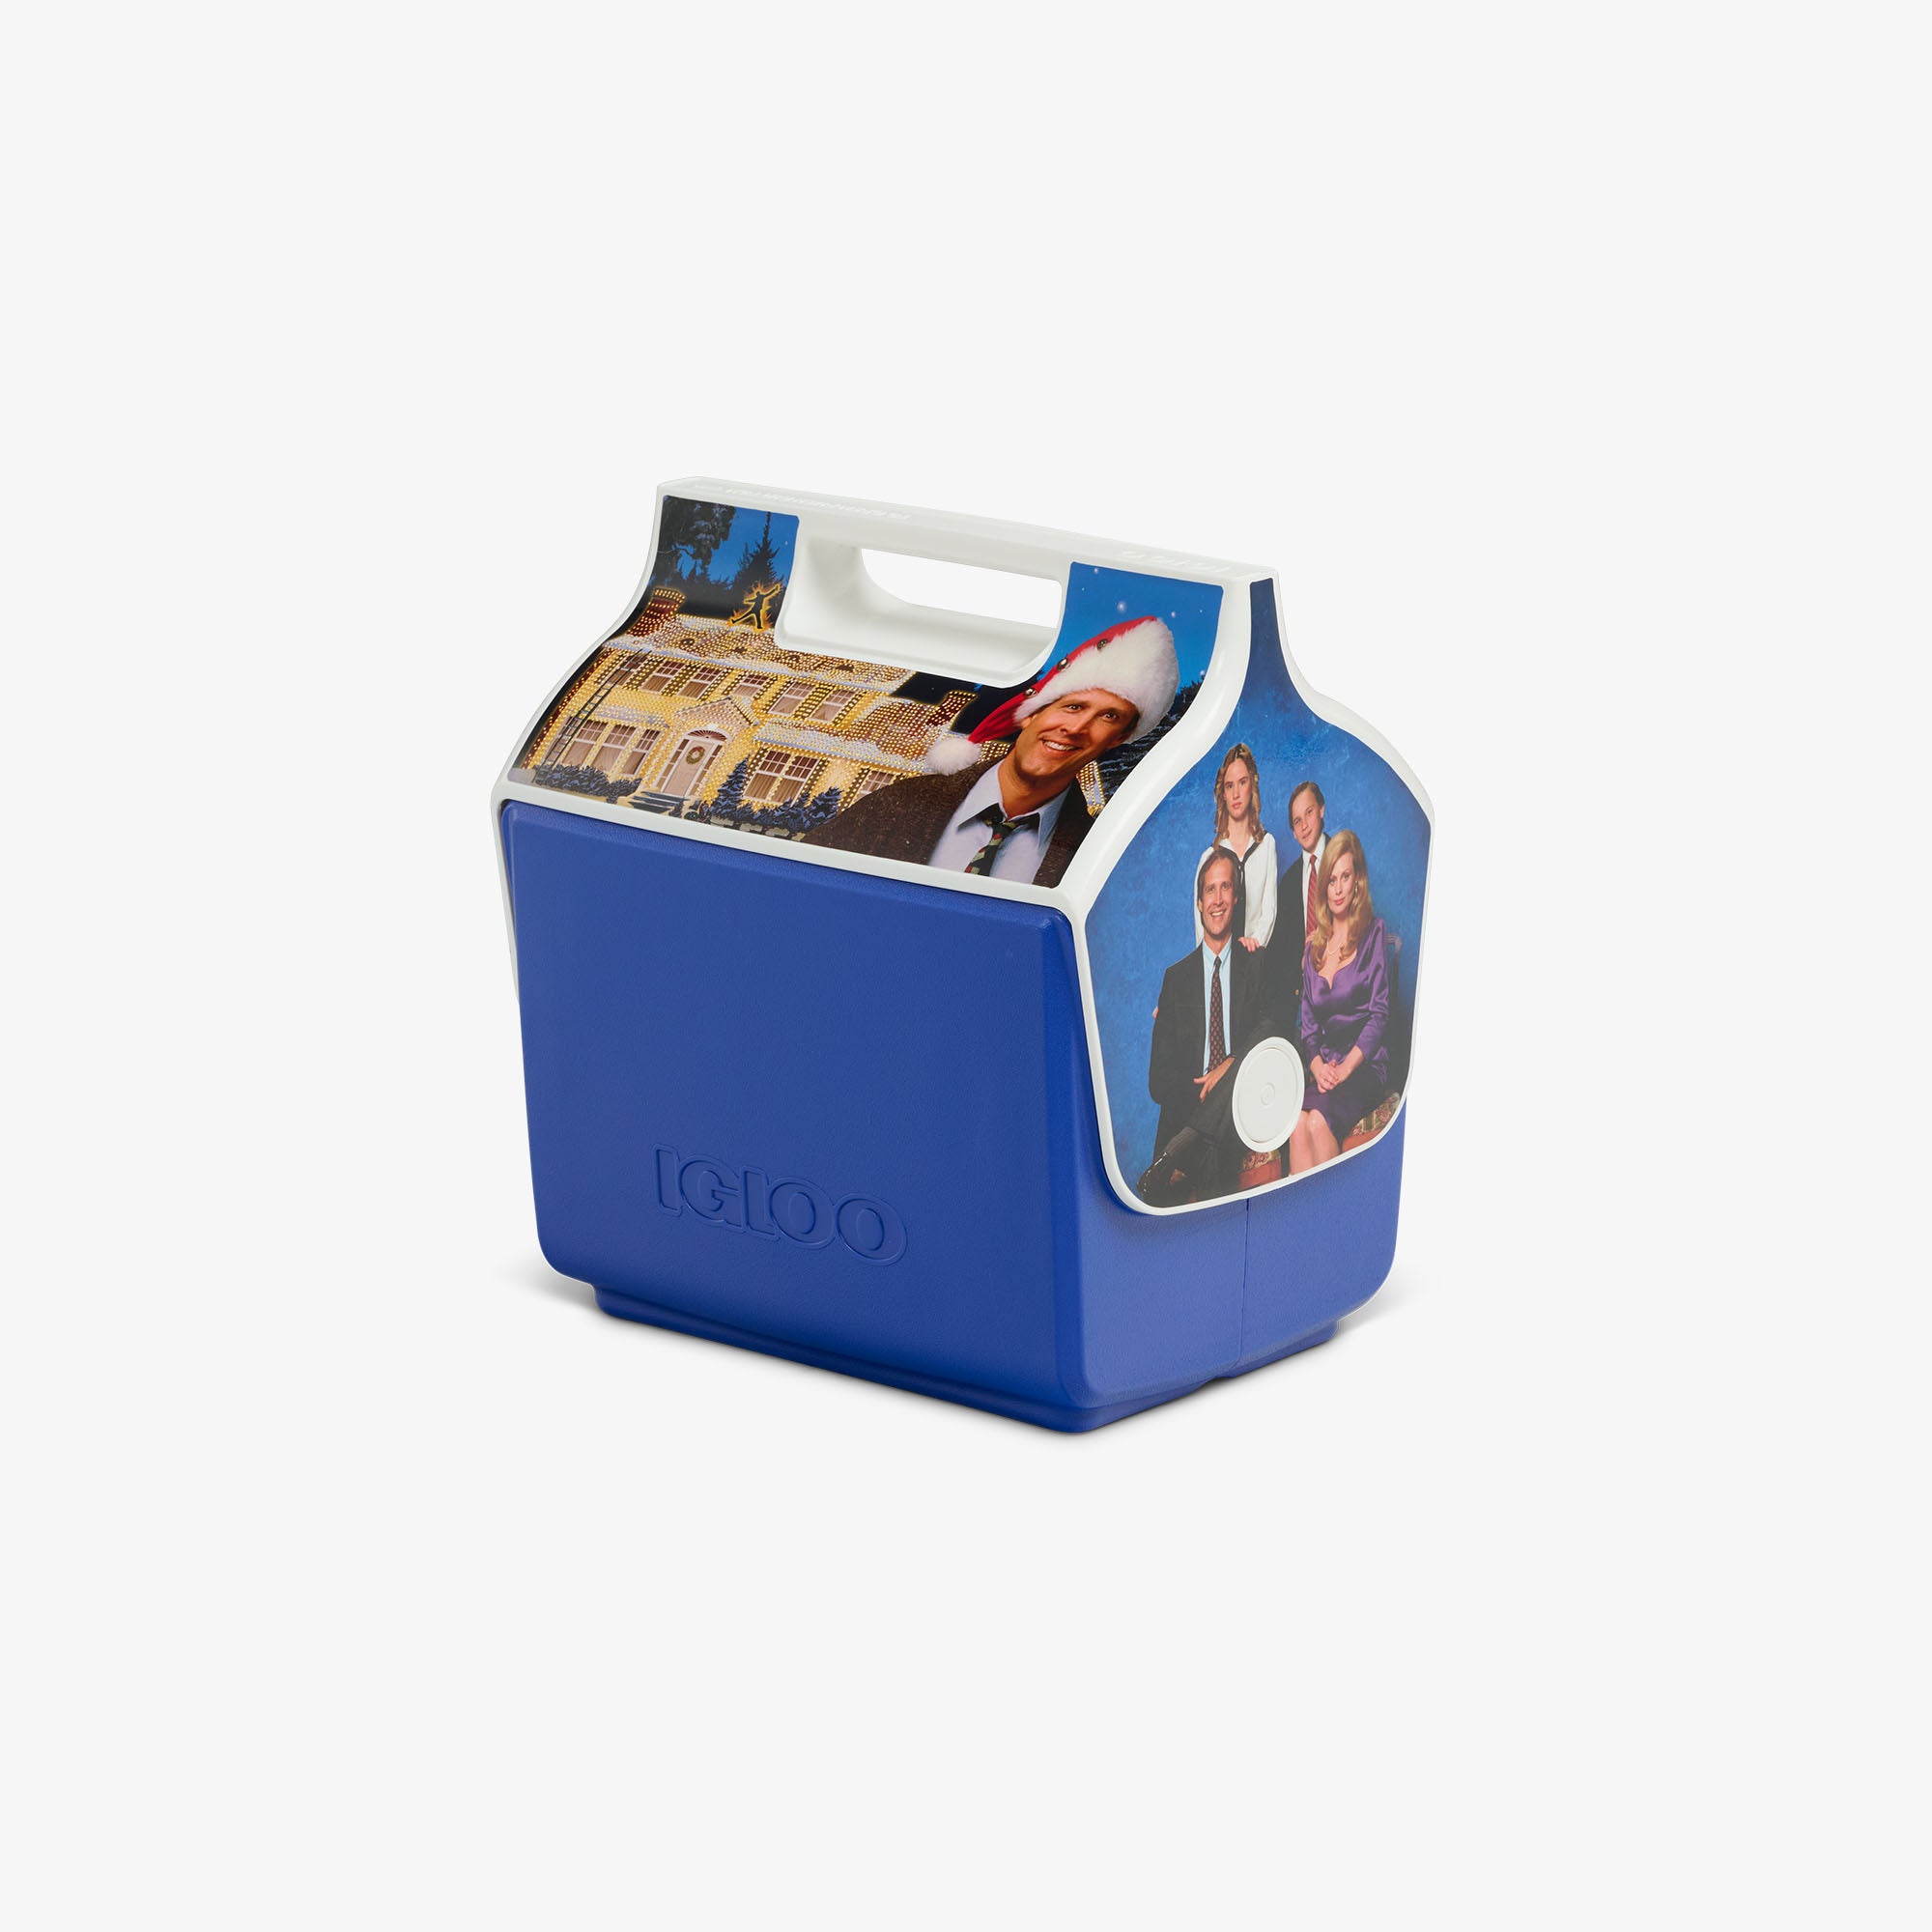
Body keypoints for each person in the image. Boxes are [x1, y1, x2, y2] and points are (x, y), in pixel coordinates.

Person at [803, 616, 1179, 887]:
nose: (1077, 727)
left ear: (1116, 739)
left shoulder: (1097, 856)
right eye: (1072, 706)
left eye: (1109, 717)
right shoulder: (898, 803)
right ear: (1031, 713)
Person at [1138, 848, 1279, 1206]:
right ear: (1199, 903)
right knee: (1212, 1148)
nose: (1217, 899)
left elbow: (1273, 1030)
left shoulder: (1257, 963)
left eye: (1225, 887)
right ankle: (1194, 1141)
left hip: (1242, 1104)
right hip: (1187, 1110)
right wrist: (1207, 1091)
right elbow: (1158, 1081)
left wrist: (1228, 1066)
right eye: (1210, 890)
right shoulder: (1176, 978)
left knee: (1219, 1137)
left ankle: (1180, 1151)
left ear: (1237, 897)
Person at [1286, 829, 1392, 1177]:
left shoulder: (1374, 933)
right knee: (1296, 1123)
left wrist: (1345, 1069)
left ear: (1357, 881)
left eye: (1345, 877)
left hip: (1365, 1066)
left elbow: (1380, 1014)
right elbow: (1308, 1029)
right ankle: (1303, 1213)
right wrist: (1318, 1068)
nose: (1338, 888)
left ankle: (1331, 1210)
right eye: (1331, 880)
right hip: (1326, 1068)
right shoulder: (1312, 949)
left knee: (1318, 1121)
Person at [1192, 742, 1277, 950]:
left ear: (1252, 786)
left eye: (1242, 782)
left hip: (1256, 957)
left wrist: (1253, 947)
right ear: (1223, 793)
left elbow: (1269, 912)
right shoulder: (1209, 858)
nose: (1236, 794)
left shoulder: (1266, 845)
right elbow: (1201, 929)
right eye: (1230, 786)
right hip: (1219, 959)